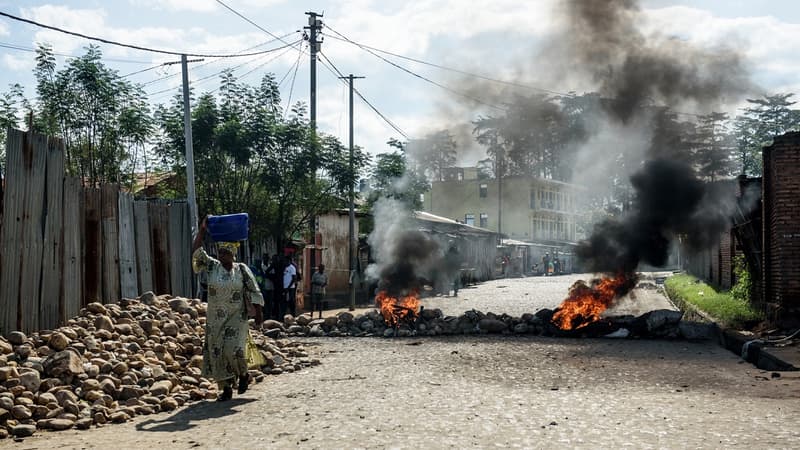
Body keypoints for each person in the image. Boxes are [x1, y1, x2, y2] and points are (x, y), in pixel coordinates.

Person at [192, 217, 264, 401]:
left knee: (236, 349)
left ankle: (244, 375)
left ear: (233, 254)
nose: (222, 255)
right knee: (218, 352)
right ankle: (225, 388)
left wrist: (258, 314)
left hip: (236, 318)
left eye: (226, 252)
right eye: (220, 251)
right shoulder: (212, 266)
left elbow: (254, 289)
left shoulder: (241, 270)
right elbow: (196, 252)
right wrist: (202, 230)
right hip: (215, 320)